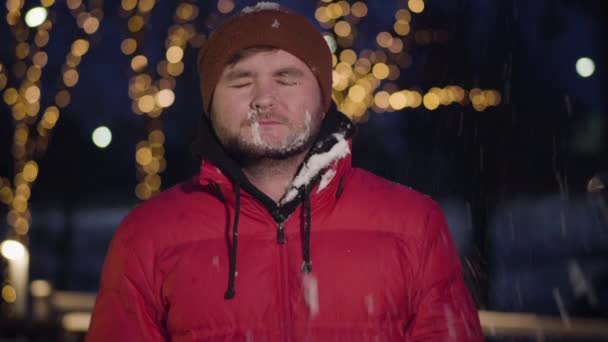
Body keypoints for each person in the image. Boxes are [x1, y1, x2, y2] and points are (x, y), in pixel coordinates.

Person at [87, 2, 483, 341]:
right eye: (241, 81)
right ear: (209, 104)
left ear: (323, 98)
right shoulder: (147, 236)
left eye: (287, 78)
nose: (264, 98)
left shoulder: (414, 225)